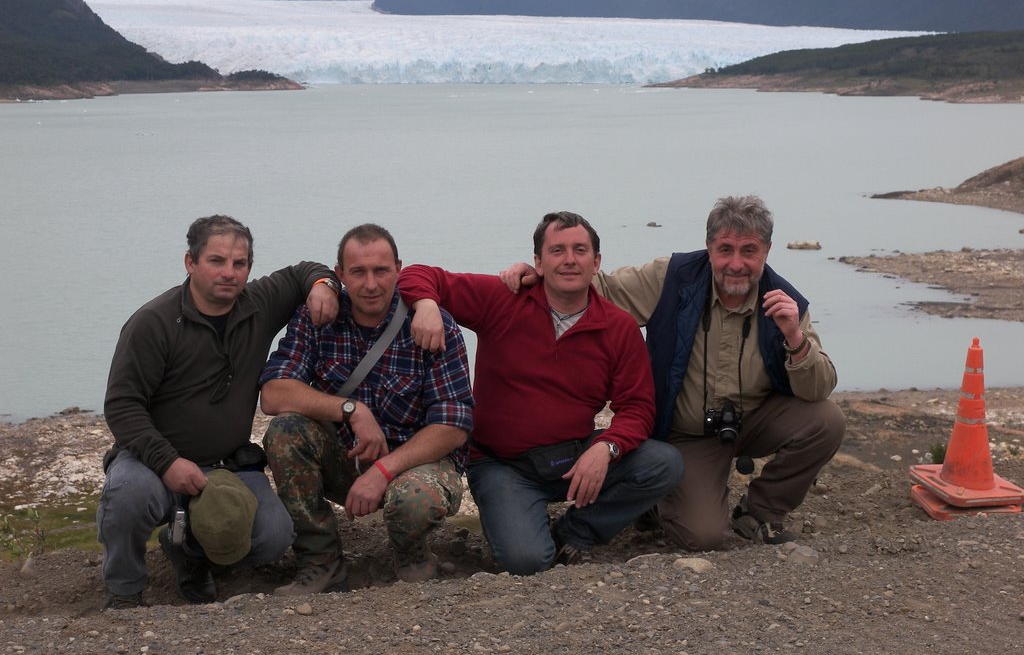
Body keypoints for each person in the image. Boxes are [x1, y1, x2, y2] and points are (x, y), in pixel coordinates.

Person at [501, 196, 844, 551]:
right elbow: (599, 290)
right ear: (709, 247)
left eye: (749, 251)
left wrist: (794, 337)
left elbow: (819, 388)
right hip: (685, 435)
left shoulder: (784, 302)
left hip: (756, 421)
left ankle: (758, 514)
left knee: (827, 420)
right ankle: (655, 493)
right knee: (703, 536)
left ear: (767, 251)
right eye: (725, 249)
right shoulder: (672, 278)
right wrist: (537, 275)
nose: (736, 263)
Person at [400, 211, 684, 576]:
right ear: (538, 261)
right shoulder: (501, 299)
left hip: (574, 455)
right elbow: (418, 275)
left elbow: (638, 408)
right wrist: (425, 304)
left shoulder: (619, 327)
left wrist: (606, 446)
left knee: (664, 464)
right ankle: (523, 527)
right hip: (502, 464)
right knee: (527, 561)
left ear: (596, 262)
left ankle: (575, 531)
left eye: (580, 250)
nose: (569, 259)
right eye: (557, 250)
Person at [98, 215, 341, 610]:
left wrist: (324, 286)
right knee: (127, 495)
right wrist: (168, 462)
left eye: (240, 263)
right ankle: (124, 592)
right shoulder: (153, 323)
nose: (229, 273)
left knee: (274, 536)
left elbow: (304, 272)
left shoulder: (259, 303)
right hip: (154, 462)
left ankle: (191, 554)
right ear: (190, 263)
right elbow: (122, 406)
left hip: (226, 466)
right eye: (216, 261)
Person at [259, 224, 474, 595]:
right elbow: (274, 394)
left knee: (415, 500)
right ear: (339, 274)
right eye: (358, 272)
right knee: (284, 431)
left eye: (381, 271)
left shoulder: (432, 323)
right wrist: (352, 409)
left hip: (413, 465)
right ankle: (320, 561)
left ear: (398, 269)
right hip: (344, 460)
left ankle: (411, 555)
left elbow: (454, 424)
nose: (371, 284)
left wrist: (382, 471)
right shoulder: (317, 317)